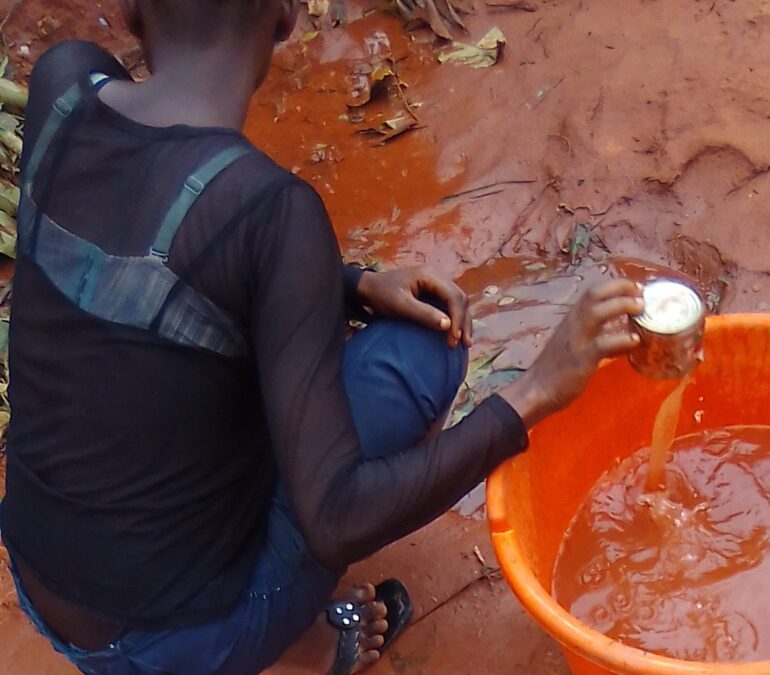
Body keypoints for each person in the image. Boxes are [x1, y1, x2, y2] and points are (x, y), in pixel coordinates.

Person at [0, 1, 644, 673]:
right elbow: (337, 516)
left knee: (214, 365)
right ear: (284, 18)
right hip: (176, 645)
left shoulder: (63, 83)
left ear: (132, 13)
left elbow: (148, 251)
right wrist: (536, 390)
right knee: (424, 351)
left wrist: (350, 283)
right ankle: (303, 644)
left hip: (40, 582)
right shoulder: (271, 211)